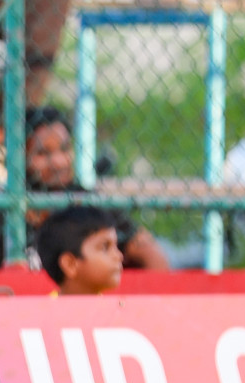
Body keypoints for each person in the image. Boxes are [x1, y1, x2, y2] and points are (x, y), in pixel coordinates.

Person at [19, 106, 171, 270]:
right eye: (42, 153)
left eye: (64, 149)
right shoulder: (4, 212)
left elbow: (152, 255)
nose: (58, 162)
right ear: (22, 157)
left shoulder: (90, 202)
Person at [37, 204, 124, 294]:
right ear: (70, 264)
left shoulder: (116, 307)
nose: (119, 256)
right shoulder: (42, 308)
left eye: (116, 246)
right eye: (105, 248)